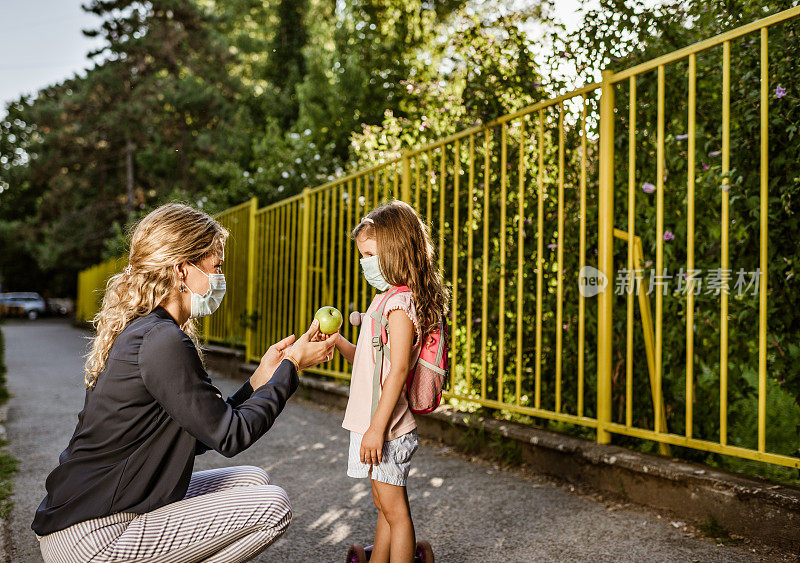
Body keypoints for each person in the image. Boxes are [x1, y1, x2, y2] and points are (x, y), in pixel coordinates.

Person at [31, 202, 337, 563]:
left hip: (112, 508)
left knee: (253, 479)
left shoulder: (151, 330)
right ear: (181, 270)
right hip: (94, 536)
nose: (221, 277)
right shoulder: (161, 341)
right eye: (216, 266)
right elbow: (230, 436)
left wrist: (260, 379)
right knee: (273, 506)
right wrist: (291, 366)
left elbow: (205, 429)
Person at [329, 200, 448, 563]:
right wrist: (338, 343)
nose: (364, 263)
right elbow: (371, 363)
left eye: (369, 254)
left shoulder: (400, 305)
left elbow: (397, 370)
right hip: (375, 423)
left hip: (388, 427)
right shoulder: (384, 299)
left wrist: (377, 429)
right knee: (383, 504)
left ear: (395, 251)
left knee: (395, 512)